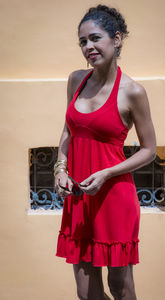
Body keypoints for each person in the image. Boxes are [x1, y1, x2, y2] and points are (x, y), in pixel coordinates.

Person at [54, 4, 156, 300]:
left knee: (120, 288)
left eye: (96, 38)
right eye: (83, 42)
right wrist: (61, 169)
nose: (89, 47)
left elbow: (149, 150)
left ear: (117, 39)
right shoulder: (76, 80)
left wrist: (107, 173)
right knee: (86, 293)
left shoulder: (132, 92)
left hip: (113, 198)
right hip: (78, 198)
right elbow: (67, 131)